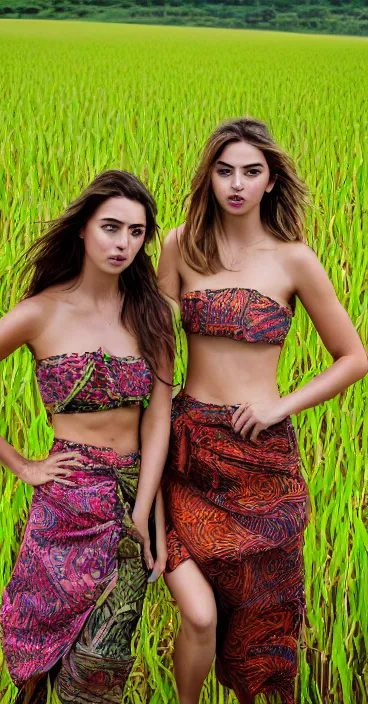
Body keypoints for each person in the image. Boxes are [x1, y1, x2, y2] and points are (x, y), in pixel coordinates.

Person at [0, 170, 174, 704]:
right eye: (111, 227)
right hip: (64, 503)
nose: (123, 243)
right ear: (83, 229)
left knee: (99, 671)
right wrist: (21, 463)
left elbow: (157, 418)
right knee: (42, 658)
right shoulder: (41, 313)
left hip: (129, 502)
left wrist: (144, 511)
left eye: (136, 232)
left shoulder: (150, 313)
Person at [157, 117, 368, 704]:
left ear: (271, 181)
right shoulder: (180, 246)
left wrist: (282, 403)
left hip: (263, 463)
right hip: (191, 450)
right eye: (225, 171)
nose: (237, 184)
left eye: (251, 172)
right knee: (199, 615)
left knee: (264, 625)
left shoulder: (294, 260)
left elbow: (353, 357)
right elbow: (148, 346)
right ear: (210, 177)